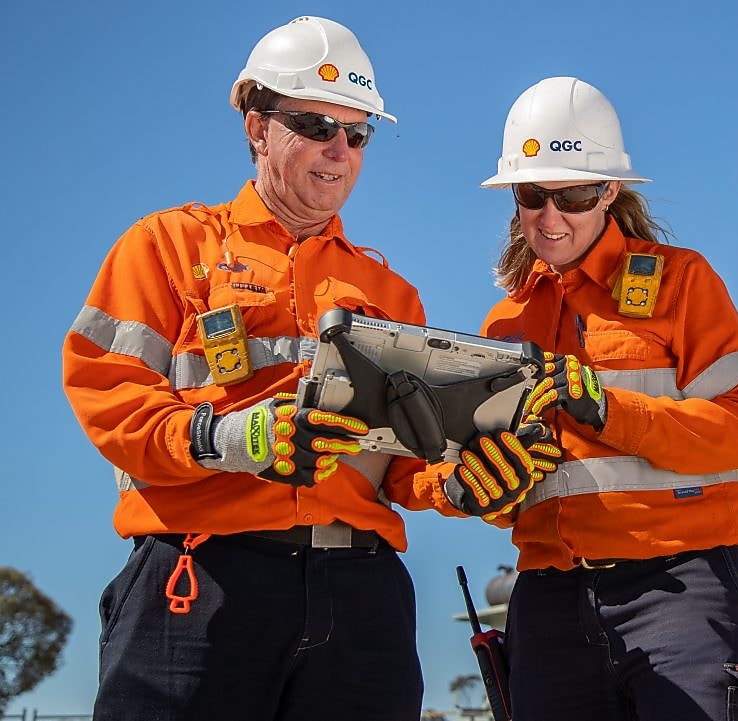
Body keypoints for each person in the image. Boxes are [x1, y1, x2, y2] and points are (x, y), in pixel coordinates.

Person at [61, 17, 556, 721]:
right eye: (316, 125)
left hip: (361, 596)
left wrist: (463, 483)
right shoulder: (167, 248)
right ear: (257, 128)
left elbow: (404, 465)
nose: (339, 150)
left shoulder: (391, 294)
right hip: (202, 580)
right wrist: (232, 439)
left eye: (357, 134)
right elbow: (109, 396)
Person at [477, 76, 738, 721]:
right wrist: (484, 488)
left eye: (574, 195)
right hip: (549, 599)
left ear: (610, 191)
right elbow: (510, 499)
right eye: (533, 196)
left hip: (683, 584)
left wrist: (611, 412)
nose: (551, 218)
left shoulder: (680, 282)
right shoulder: (504, 324)